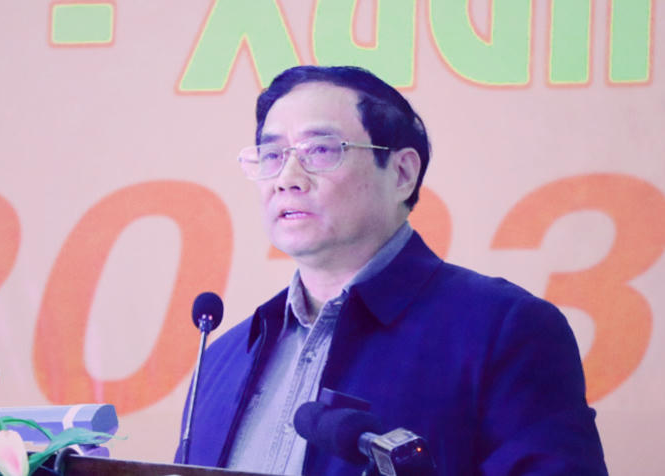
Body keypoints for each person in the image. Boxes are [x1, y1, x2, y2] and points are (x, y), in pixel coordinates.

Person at [176, 65, 607, 475]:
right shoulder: (220, 359)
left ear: (402, 173)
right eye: (272, 155)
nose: (287, 178)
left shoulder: (503, 331)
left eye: (320, 150)